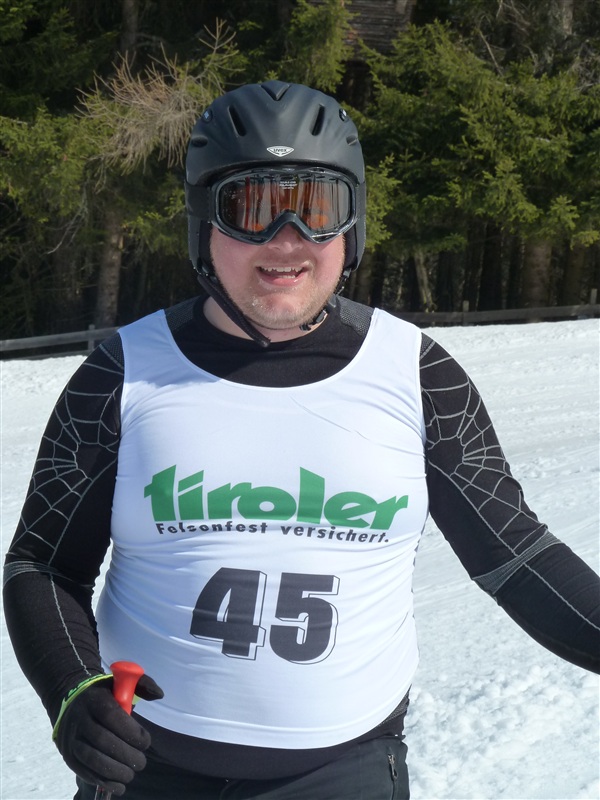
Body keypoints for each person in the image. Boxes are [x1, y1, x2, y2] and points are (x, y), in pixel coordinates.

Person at [3, 80, 599, 800]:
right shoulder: (123, 374)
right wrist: (71, 688)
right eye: (250, 209)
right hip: (145, 771)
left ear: (353, 226)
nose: (286, 241)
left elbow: (519, 560)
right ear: (203, 223)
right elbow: (42, 564)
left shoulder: (416, 375)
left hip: (342, 775)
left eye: (317, 209)